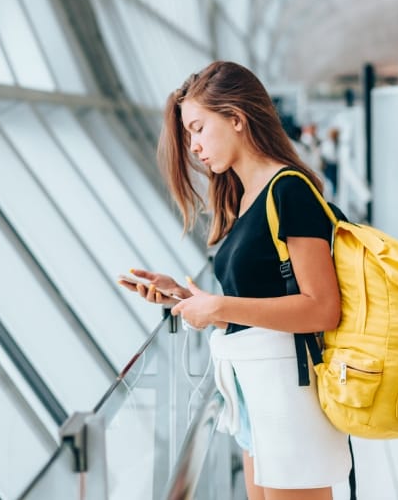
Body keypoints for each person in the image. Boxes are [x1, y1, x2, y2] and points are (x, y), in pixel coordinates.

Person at [119, 61, 351, 500]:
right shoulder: (246, 197)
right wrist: (187, 298)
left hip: (288, 394)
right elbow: (261, 304)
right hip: (255, 391)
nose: (194, 147)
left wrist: (220, 307)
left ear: (237, 118)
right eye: (189, 135)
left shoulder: (289, 190)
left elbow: (322, 307)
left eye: (199, 128)